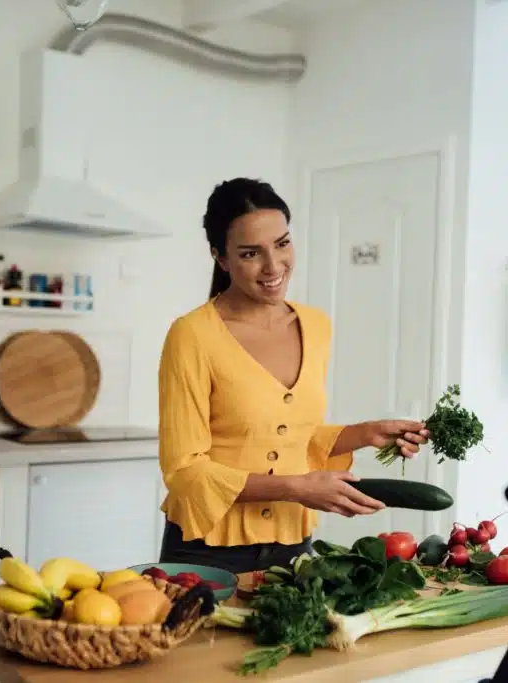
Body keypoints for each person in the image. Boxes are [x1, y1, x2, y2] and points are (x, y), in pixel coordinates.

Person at [156, 177, 431, 575]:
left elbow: (293, 435)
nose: (273, 267)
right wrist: (296, 488)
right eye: (251, 253)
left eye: (282, 244)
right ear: (221, 258)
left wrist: (364, 432)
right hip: (208, 550)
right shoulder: (193, 335)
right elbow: (184, 472)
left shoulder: (315, 326)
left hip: (292, 546)